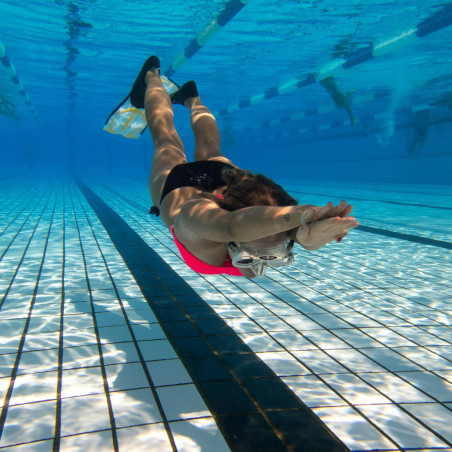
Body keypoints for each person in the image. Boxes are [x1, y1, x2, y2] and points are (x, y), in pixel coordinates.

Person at [129, 56, 359, 278]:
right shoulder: (197, 225)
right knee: (166, 138)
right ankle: (155, 78)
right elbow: (234, 226)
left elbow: (265, 226)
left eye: (274, 255)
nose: (258, 270)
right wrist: (305, 220)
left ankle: (187, 96)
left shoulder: (271, 233)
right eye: (249, 256)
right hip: (189, 186)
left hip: (216, 182)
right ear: (232, 241)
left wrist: (308, 235)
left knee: (193, 144)